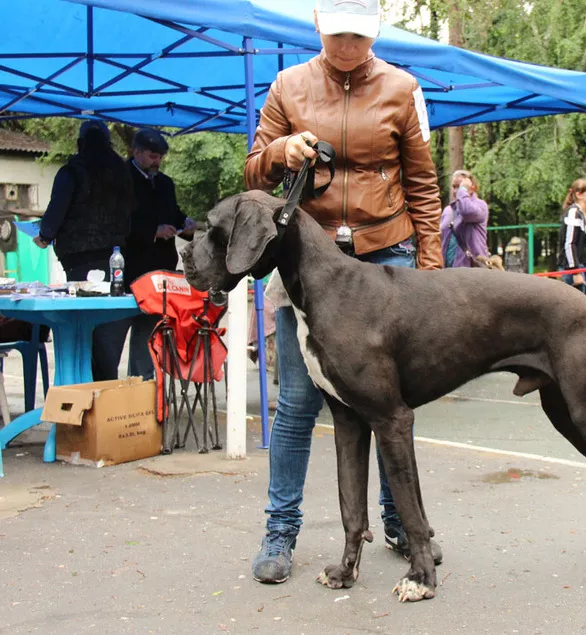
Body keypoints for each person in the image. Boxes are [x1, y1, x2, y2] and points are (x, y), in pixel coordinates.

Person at [243, 0, 443, 584]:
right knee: (299, 403)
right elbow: (254, 171)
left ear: (373, 34)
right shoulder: (287, 85)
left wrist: (429, 266)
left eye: (358, 35)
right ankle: (280, 529)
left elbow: (423, 183)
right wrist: (282, 152)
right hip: (309, 261)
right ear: (317, 30)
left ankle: (400, 523)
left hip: (388, 253)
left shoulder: (404, 88)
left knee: (387, 403)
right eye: (337, 35)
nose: (348, 46)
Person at [34, 120, 132, 380]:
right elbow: (130, 214)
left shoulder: (72, 171)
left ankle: (84, 389)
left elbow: (56, 211)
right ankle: (106, 388)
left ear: (80, 144)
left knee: (82, 330)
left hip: (78, 260)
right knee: (106, 330)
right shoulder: (121, 172)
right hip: (115, 258)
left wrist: (44, 236)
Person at [126, 128, 197, 380]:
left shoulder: (165, 183)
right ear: (136, 152)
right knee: (115, 332)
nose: (157, 162)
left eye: (160, 157)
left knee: (148, 332)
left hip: (161, 270)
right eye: (152, 156)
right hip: (129, 268)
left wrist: (186, 225)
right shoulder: (121, 179)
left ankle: (142, 384)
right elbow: (118, 222)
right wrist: (152, 232)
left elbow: (173, 213)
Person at [440, 170, 489, 267]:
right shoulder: (448, 210)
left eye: (459, 186)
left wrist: (462, 189)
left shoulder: (480, 206)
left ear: (472, 187)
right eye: (454, 186)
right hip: (448, 271)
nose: (455, 191)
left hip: (471, 269)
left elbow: (466, 212)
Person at [557, 178, 586, 294]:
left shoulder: (582, 213)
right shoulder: (573, 213)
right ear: (579, 194)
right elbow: (569, 243)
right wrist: (575, 271)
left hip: (582, 265)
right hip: (572, 267)